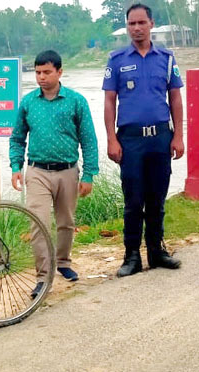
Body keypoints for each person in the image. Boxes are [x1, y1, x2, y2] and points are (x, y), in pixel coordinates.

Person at [103, 3, 184, 277]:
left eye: (141, 23)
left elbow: (175, 97)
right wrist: (112, 139)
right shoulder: (116, 60)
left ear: (151, 24)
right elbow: (109, 102)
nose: (136, 28)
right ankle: (132, 256)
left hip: (160, 138)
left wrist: (179, 136)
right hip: (131, 141)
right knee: (134, 200)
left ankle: (157, 251)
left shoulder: (167, 58)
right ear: (127, 27)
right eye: (131, 24)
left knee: (157, 198)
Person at [10, 50, 99, 299]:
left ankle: (63, 262)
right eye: (38, 72)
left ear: (60, 72)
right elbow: (17, 138)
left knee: (66, 222)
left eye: (47, 72)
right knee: (38, 222)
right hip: (37, 171)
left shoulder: (76, 101)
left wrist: (89, 174)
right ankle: (43, 276)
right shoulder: (28, 102)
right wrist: (16, 167)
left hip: (68, 171)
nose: (41, 77)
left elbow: (88, 139)